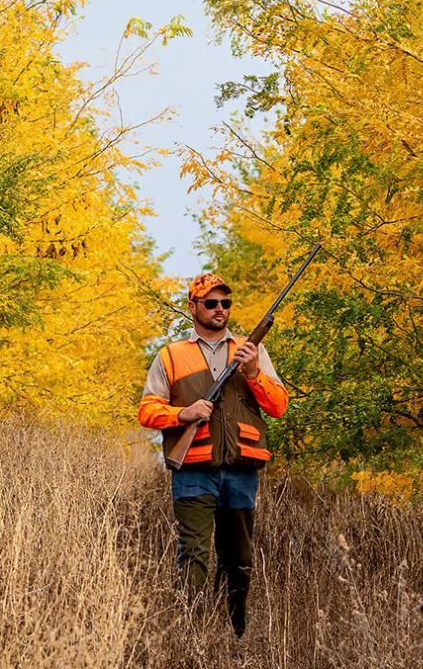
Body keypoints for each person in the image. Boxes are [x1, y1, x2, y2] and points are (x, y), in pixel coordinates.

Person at [136, 272, 289, 636]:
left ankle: (234, 632)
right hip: (192, 469)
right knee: (193, 555)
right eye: (211, 303)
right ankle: (191, 632)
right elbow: (146, 410)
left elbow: (279, 406)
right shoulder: (171, 356)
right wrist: (182, 414)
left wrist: (253, 373)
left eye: (225, 303)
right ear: (193, 307)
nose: (220, 309)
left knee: (239, 559)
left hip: (240, 468)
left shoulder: (253, 351)